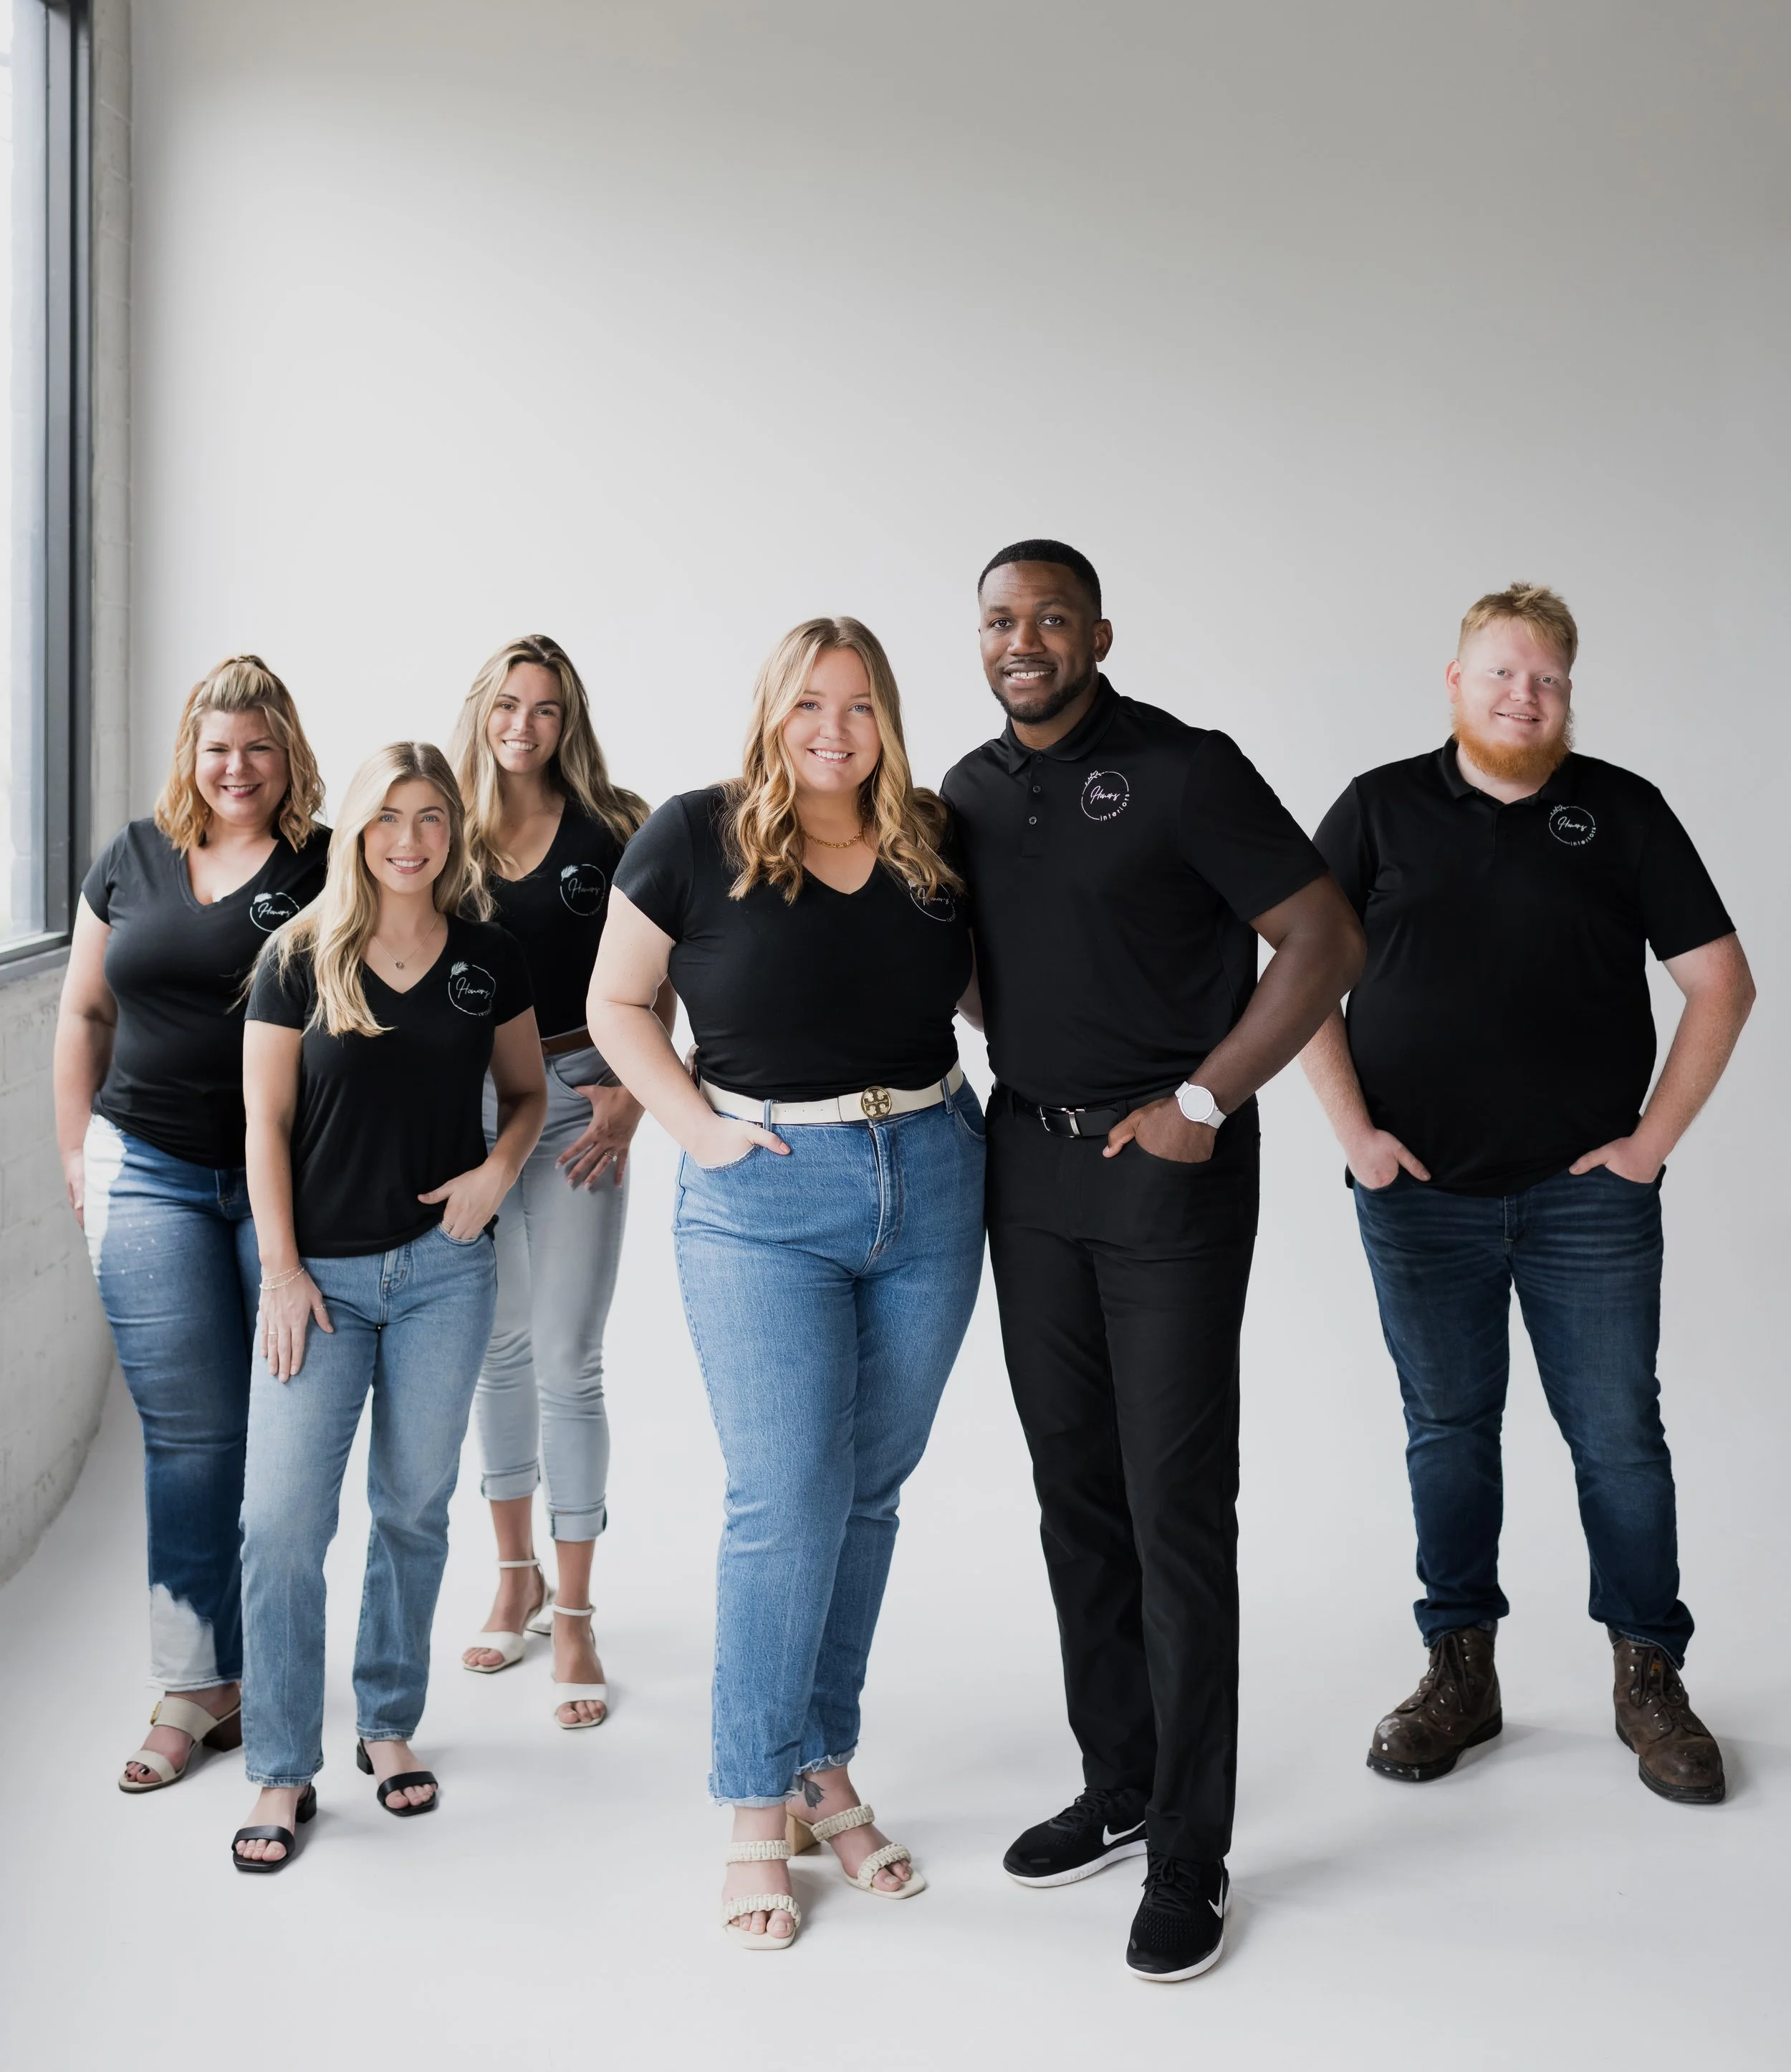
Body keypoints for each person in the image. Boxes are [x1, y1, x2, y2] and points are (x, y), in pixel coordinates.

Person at [941, 540, 1363, 1983]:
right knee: (1075, 1495)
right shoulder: (964, 790)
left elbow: (1323, 937)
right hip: (1026, 1165)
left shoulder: (1187, 768)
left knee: (1173, 1506)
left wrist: (1201, 1099)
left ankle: (1191, 1847)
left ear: (1098, 635)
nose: (1023, 640)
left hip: (1168, 1172)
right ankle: (1117, 1781)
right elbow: (982, 965)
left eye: (1051, 618)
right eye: (1000, 619)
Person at [1301, 582, 1753, 1806]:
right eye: (1502, 672)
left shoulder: (1624, 810)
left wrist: (1651, 1143)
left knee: (1618, 1436)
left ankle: (1649, 1673)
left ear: (1568, 692)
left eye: (1547, 677)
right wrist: (1355, 1133)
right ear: (1455, 682)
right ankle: (1461, 1668)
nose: (1525, 695)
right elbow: (1296, 973)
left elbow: (1722, 981)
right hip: (1420, 1196)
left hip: (1585, 1200)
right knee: (1448, 1431)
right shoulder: (1379, 808)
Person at [590, 617, 983, 1951]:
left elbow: (992, 997)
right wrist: (696, 1130)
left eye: (860, 705)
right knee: (785, 1493)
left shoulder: (932, 839)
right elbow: (617, 1004)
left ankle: (824, 1761)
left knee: (867, 1486)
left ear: (888, 720)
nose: (835, 729)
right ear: (771, 710)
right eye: (810, 702)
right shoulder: (693, 834)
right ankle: (758, 1801)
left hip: (934, 1174)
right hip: (761, 1196)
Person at [229, 742, 546, 1871]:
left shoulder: (488, 957)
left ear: (454, 830)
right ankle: (281, 1765)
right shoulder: (297, 955)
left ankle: (386, 1718)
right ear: (358, 829)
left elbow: (526, 1092)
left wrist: (499, 1171)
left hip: (444, 1272)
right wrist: (282, 1272)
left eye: (430, 818)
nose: (409, 840)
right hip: (317, 1283)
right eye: (387, 818)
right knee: (281, 1524)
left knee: (413, 1507)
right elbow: (264, 1124)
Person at [52, 655, 328, 1796]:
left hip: (287, 1186)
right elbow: (85, 1010)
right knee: (189, 1437)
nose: (238, 767)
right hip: (148, 1171)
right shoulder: (130, 855)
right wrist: (78, 1153)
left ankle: (273, 1667)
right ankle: (193, 1684)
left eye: (259, 747)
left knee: (285, 1440)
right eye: (219, 747)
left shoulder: (330, 864)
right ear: (190, 753)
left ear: (289, 755)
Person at [449, 635, 672, 1728]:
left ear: (567, 719)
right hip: (472, 1109)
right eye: (508, 704)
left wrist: (636, 1093)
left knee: (569, 1357)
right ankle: (515, 1577)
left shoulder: (617, 825)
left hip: (585, 1096)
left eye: (544, 708)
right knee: (497, 1349)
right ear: (481, 711)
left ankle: (575, 1614)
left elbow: (661, 968)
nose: (523, 725)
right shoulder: (438, 826)